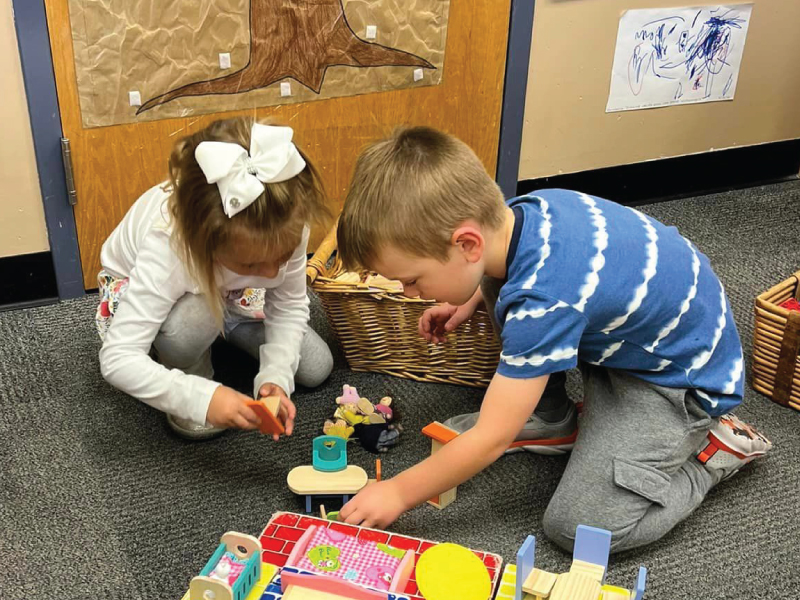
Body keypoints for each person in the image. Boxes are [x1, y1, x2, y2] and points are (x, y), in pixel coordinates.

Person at [335, 126, 771, 551]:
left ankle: (711, 455)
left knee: (581, 530)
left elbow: (491, 437)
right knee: (500, 283)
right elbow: (515, 276)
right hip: (641, 334)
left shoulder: (546, 299)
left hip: (680, 384)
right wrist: (467, 302)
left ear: (466, 244)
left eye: (411, 280)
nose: (409, 294)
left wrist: (397, 492)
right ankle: (551, 417)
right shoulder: (521, 213)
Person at [97, 117, 333, 440]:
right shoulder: (169, 247)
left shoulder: (285, 223)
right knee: (192, 323)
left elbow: (289, 304)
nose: (272, 273)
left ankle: (220, 332)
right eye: (251, 263)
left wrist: (276, 376)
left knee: (316, 367)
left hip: (233, 296)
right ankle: (191, 366)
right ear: (206, 243)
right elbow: (117, 358)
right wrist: (202, 398)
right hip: (161, 297)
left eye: (282, 257)